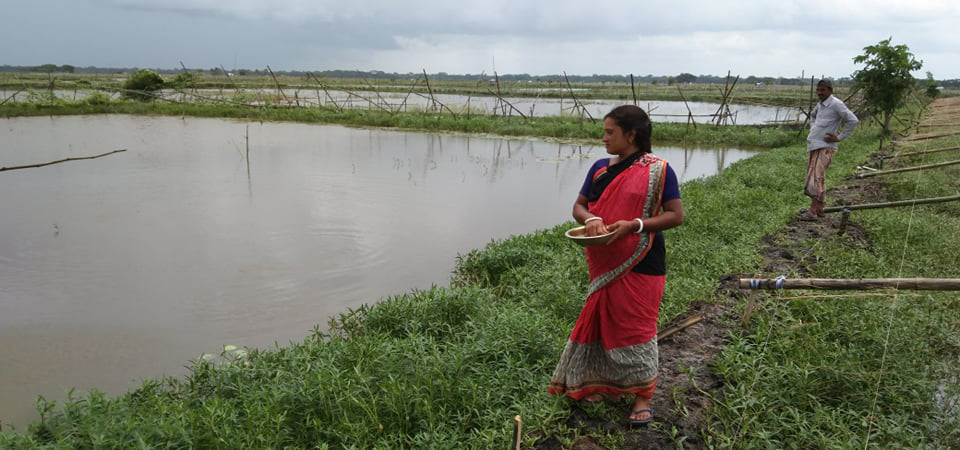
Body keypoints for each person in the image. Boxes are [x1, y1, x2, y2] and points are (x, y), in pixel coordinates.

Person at [548, 105, 684, 425]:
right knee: (601, 322)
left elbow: (675, 215)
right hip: (604, 259)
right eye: (604, 131)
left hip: (643, 259)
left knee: (636, 327)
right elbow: (579, 206)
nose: (604, 138)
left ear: (631, 135)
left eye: (610, 132)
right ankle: (596, 382)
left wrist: (634, 225)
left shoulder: (659, 170)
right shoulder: (598, 168)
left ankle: (643, 395)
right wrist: (593, 219)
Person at [803, 79, 859, 220]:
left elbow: (853, 120)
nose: (819, 93)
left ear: (830, 90)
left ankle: (812, 211)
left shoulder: (836, 104)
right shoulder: (820, 105)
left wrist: (839, 137)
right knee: (818, 177)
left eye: (822, 90)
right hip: (814, 144)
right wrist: (814, 128)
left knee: (816, 177)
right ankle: (820, 209)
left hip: (826, 147)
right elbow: (813, 115)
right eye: (818, 90)